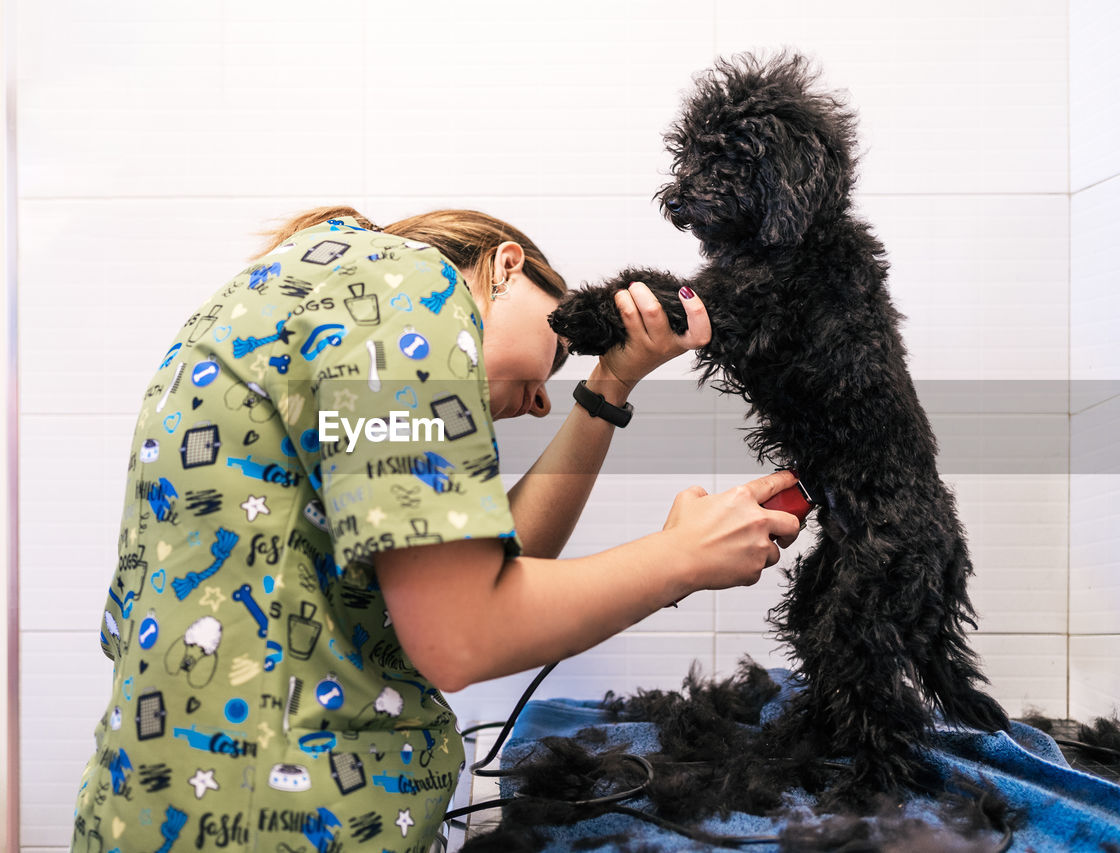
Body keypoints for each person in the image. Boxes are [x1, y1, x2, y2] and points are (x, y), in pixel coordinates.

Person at [69, 206, 802, 852]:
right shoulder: (408, 288)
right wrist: (682, 556)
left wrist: (608, 387)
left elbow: (485, 571)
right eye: (556, 357)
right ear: (504, 268)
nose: (545, 399)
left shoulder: (305, 291)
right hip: (281, 819)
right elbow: (462, 633)